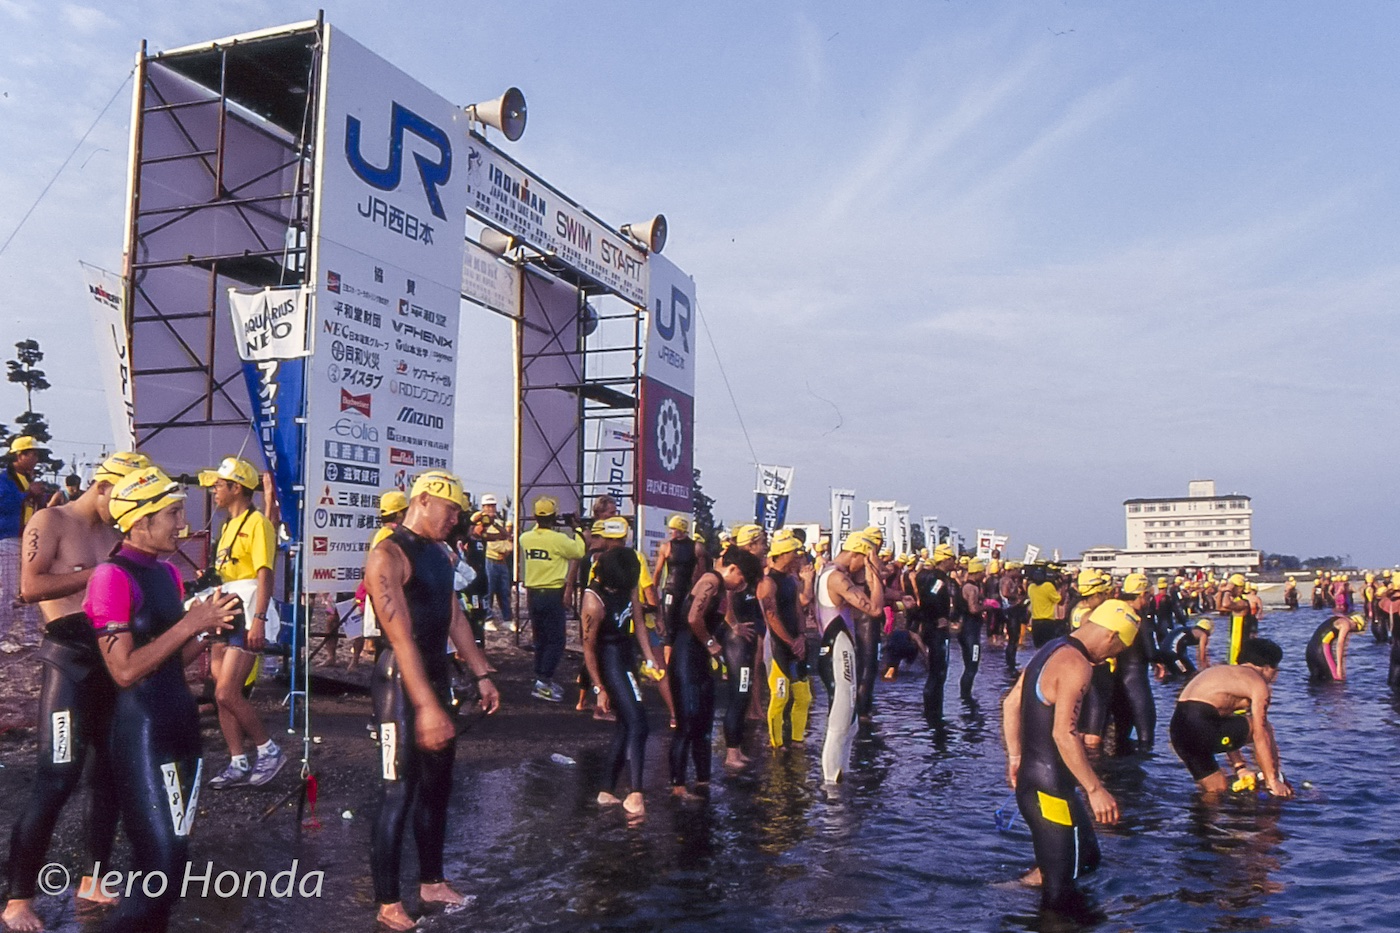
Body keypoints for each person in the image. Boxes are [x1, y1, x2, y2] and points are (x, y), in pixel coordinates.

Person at [88, 466, 241, 932]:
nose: (182, 524)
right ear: (139, 521)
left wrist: (212, 630)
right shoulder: (110, 576)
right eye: (173, 513)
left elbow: (171, 657)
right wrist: (192, 623)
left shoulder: (169, 574)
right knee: (163, 859)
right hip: (143, 730)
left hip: (180, 723)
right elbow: (125, 670)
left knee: (172, 862)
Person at [2, 452, 146, 933]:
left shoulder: (116, 531)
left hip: (110, 659)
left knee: (108, 774)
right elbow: (29, 586)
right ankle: (18, 898)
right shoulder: (51, 518)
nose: (125, 511)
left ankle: (93, 878)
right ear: (103, 486)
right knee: (56, 777)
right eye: (121, 499)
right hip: (69, 663)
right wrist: (103, 574)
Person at [364, 471, 501, 931]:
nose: (457, 519)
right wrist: (426, 707)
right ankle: (386, 901)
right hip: (398, 684)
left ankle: (431, 882)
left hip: (435, 677)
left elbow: (453, 616)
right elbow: (400, 638)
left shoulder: (441, 554)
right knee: (396, 791)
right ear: (423, 501)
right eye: (452, 510)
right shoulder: (388, 553)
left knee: (438, 788)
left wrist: (481, 673)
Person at [1001, 596, 1138, 916]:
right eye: (1117, 651)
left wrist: (1015, 758)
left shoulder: (1049, 649)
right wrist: (1095, 789)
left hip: (1039, 782)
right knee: (1061, 891)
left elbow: (1011, 704)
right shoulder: (1077, 665)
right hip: (1050, 792)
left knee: (1087, 859)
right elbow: (1064, 734)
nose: (1108, 659)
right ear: (1111, 636)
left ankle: (1011, 890)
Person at [199, 457, 285, 789]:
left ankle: (269, 749)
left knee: (227, 691)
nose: (214, 491)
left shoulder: (257, 523)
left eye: (219, 485)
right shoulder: (226, 527)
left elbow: (265, 573)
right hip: (228, 607)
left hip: (249, 609)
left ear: (237, 488)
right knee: (221, 692)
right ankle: (237, 761)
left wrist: (260, 619)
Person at [581, 520, 662, 817]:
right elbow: (588, 648)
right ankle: (635, 793)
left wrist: (649, 657)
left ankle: (606, 790)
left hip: (626, 654)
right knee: (639, 723)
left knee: (627, 724)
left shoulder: (626, 586)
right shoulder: (593, 601)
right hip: (608, 658)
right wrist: (599, 688)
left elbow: (638, 622)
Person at [668, 547, 760, 798]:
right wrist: (711, 644)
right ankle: (678, 786)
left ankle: (703, 781)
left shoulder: (722, 588)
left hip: (700, 661)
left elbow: (719, 616)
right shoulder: (710, 580)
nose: (742, 585)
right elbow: (692, 617)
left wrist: (733, 628)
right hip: (686, 657)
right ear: (733, 569)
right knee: (687, 723)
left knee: (704, 725)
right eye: (742, 579)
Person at [1169, 638, 1291, 798]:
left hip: (1178, 730)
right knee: (1263, 727)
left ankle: (1201, 821)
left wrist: (1240, 767)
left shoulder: (1222, 672)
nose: (1275, 677)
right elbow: (1261, 735)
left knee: (1216, 790)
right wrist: (1273, 779)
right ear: (1267, 668)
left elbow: (1224, 722)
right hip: (1201, 724)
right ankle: (1273, 781)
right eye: (1276, 670)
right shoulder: (1258, 684)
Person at [815, 530, 885, 784]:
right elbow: (875, 609)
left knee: (851, 723)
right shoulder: (836, 578)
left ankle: (840, 776)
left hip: (836, 648)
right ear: (858, 556)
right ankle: (831, 786)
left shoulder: (827, 572)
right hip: (837, 651)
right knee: (840, 722)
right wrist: (874, 574)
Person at [519, 496, 586, 702]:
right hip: (552, 593)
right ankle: (543, 681)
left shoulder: (525, 538)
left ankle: (541, 678)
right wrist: (578, 528)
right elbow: (580, 551)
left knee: (540, 639)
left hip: (533, 594)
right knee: (556, 640)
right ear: (554, 516)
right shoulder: (558, 540)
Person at [758, 530, 813, 748]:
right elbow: (771, 617)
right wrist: (791, 642)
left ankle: (798, 739)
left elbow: (798, 609)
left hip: (796, 643)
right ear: (783, 554)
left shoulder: (791, 579)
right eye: (794, 552)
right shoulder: (768, 582)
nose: (799, 556)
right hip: (777, 645)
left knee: (804, 696)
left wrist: (801, 636)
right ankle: (776, 743)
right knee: (780, 697)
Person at [0, 436, 45, 637]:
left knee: (30, 587)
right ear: (20, 456)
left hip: (28, 540)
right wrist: (27, 493)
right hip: (9, 539)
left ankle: (29, 633)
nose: (36, 458)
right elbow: (4, 506)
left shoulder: (29, 479)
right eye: (32, 454)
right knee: (9, 591)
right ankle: (2, 634)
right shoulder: (4, 480)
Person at [1107, 574, 1155, 753]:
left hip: (1116, 680)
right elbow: (1151, 653)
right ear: (1141, 595)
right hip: (1136, 679)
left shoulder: (1115, 612)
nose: (1149, 600)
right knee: (1146, 737)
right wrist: (1170, 656)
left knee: (1120, 736)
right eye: (1148, 596)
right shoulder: (1139, 618)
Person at [910, 543, 956, 718]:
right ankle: (933, 712)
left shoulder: (933, 577)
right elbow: (931, 599)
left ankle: (934, 710)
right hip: (936, 630)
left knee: (938, 672)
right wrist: (938, 618)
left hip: (932, 627)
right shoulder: (938, 579)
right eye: (952, 559)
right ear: (946, 559)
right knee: (938, 672)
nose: (954, 562)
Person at [652, 514, 701, 641]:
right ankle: (668, 651)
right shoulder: (666, 547)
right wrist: (653, 591)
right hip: (671, 589)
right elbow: (658, 572)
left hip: (686, 591)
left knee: (684, 626)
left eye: (672, 529)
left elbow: (701, 572)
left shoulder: (696, 547)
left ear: (680, 530)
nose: (670, 532)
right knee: (669, 627)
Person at [474, 494, 514, 631]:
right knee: (488, 591)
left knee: (504, 591)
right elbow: (491, 543)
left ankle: (507, 619)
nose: (491, 508)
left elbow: (506, 538)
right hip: (489, 559)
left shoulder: (498, 523)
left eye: (493, 505)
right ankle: (488, 618)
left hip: (502, 561)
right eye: (488, 506)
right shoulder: (480, 523)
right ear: (483, 507)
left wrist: (495, 524)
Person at [1304, 613, 1364, 682]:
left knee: (1316, 679)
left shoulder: (1337, 618)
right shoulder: (1346, 624)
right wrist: (1339, 667)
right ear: (1355, 623)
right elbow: (1340, 644)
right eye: (1355, 630)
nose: (1350, 631)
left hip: (1310, 649)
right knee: (1336, 680)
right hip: (1321, 649)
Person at [1026, 564, 1063, 648]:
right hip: (1048, 621)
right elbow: (1059, 599)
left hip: (1036, 621)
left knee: (1038, 648)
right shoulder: (1048, 586)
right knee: (1048, 648)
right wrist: (1060, 585)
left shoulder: (1031, 587)